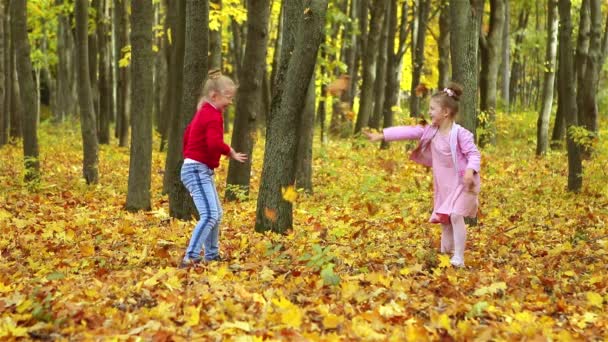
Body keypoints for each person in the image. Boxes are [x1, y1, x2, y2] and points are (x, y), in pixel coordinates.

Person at [364, 82, 481, 267]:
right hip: (444, 186)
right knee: (446, 221)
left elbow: (473, 154)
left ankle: (459, 257)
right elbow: (408, 131)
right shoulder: (430, 132)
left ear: (446, 112)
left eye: (433, 109)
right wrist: (381, 136)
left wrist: (469, 171)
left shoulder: (460, 134)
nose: (430, 112)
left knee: (456, 216)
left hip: (464, 183)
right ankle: (445, 255)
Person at [179, 69, 247, 268]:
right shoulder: (212, 115)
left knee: (216, 212)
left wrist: (189, 155)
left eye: (232, 98)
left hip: (197, 168)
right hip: (196, 169)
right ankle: (190, 256)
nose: (230, 103)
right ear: (214, 95)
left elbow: (187, 134)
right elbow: (214, 143)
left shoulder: (204, 112)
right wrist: (231, 151)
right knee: (210, 214)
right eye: (228, 97)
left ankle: (211, 254)